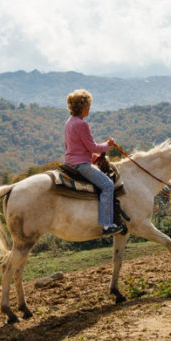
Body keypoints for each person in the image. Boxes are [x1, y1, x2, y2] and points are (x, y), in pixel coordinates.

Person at [64, 89, 124, 235]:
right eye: (88, 105)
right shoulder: (81, 124)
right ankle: (107, 225)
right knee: (108, 185)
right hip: (81, 164)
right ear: (82, 107)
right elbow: (92, 147)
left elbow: (74, 146)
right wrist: (108, 145)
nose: (89, 108)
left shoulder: (69, 123)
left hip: (70, 162)